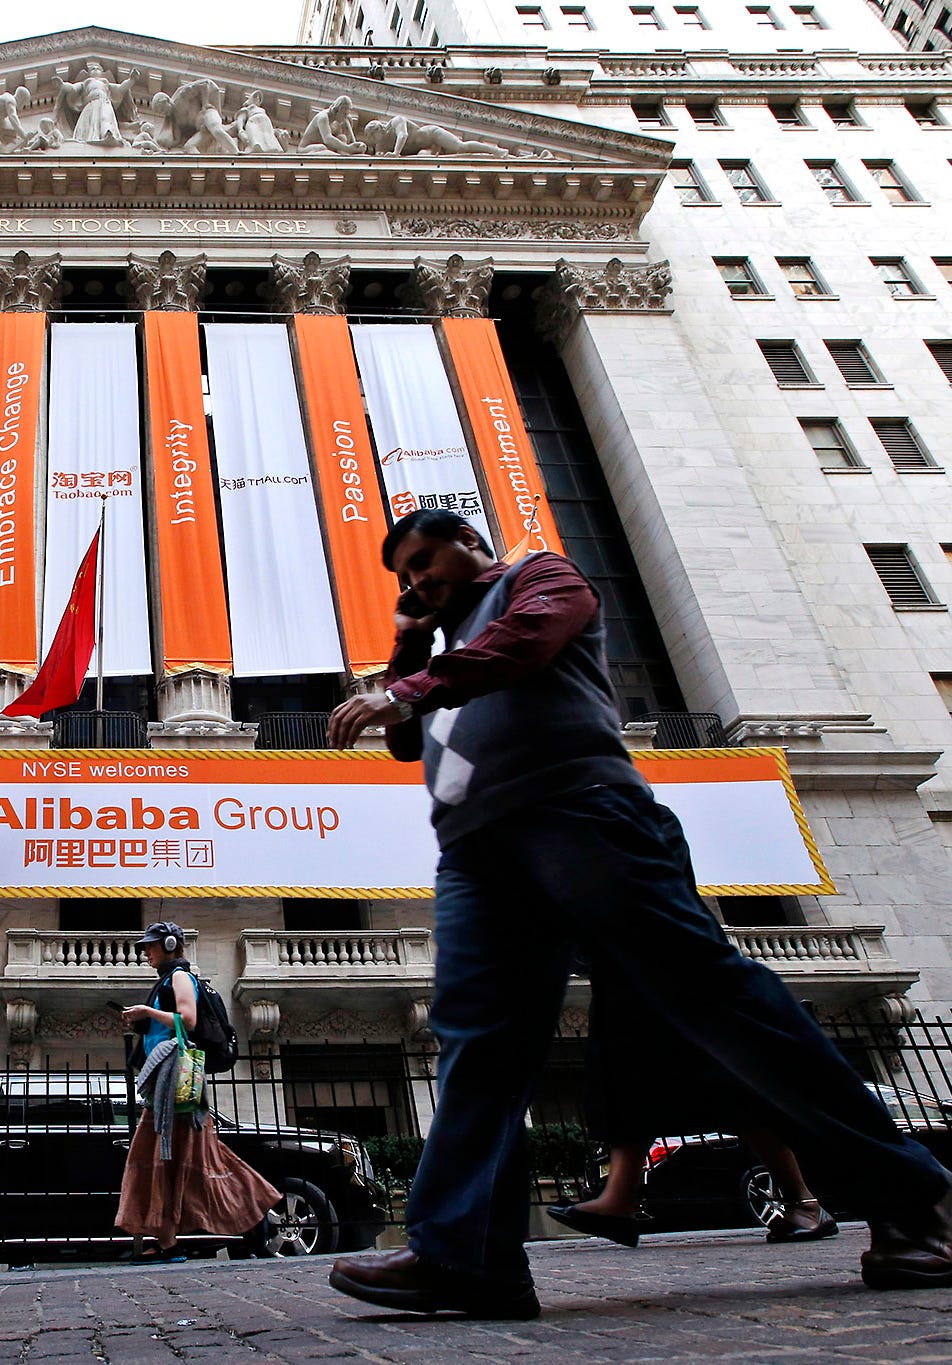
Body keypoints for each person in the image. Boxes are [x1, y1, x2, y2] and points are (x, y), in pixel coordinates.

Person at [324, 508, 952, 1320]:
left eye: (422, 560)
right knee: (478, 1044)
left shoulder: (536, 579)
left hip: (580, 813)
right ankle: (466, 1256)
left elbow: (530, 644)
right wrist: (411, 645)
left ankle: (915, 1195)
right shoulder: (445, 652)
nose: (414, 580)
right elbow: (410, 745)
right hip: (477, 851)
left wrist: (408, 682)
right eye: (402, 575)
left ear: (469, 542)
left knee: (712, 999)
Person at [553, 971, 836, 1247]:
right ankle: (619, 1199)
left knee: (734, 1087)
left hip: (668, 978)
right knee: (631, 1081)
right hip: (626, 981)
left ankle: (805, 1201)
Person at [115, 922, 278, 1263]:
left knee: (178, 1156)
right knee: (175, 1158)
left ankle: (255, 1211)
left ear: (170, 945)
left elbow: (187, 1020)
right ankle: (168, 1241)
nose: (146, 952)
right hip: (166, 1081)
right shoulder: (165, 980)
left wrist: (146, 1012)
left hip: (176, 1080)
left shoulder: (179, 977)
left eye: (151, 946)